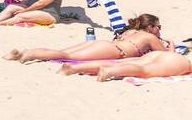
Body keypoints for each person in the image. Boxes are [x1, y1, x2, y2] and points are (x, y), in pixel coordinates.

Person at [5, 14, 167, 63]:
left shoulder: (132, 32)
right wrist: (171, 44)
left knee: (61, 52)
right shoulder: (149, 37)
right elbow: (167, 56)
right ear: (150, 27)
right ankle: (29, 55)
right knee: (65, 56)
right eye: (158, 27)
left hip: (104, 44)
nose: (159, 30)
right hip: (114, 50)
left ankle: (22, 52)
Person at [61, 50, 192, 82]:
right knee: (144, 71)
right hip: (179, 62)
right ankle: (109, 71)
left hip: (161, 54)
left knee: (123, 63)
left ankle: (76, 68)